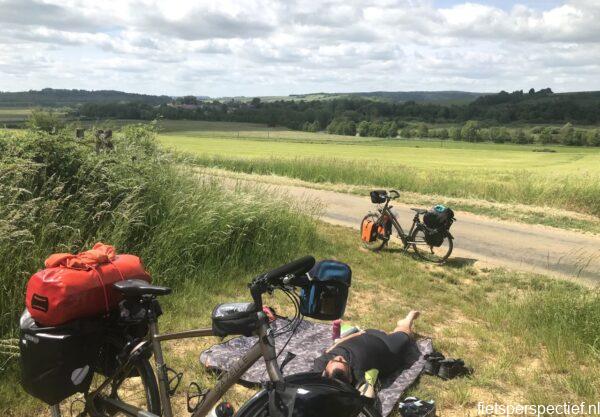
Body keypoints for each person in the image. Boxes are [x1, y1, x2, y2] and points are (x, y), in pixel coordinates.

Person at [313, 310, 420, 385]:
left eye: (334, 360)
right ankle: (406, 321)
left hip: (367, 333)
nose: (339, 357)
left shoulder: (322, 363)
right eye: (343, 362)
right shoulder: (359, 375)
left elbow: (332, 347)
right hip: (388, 347)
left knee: (388, 333)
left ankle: (396, 329)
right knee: (407, 334)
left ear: (325, 371)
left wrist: (356, 334)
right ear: (350, 377)